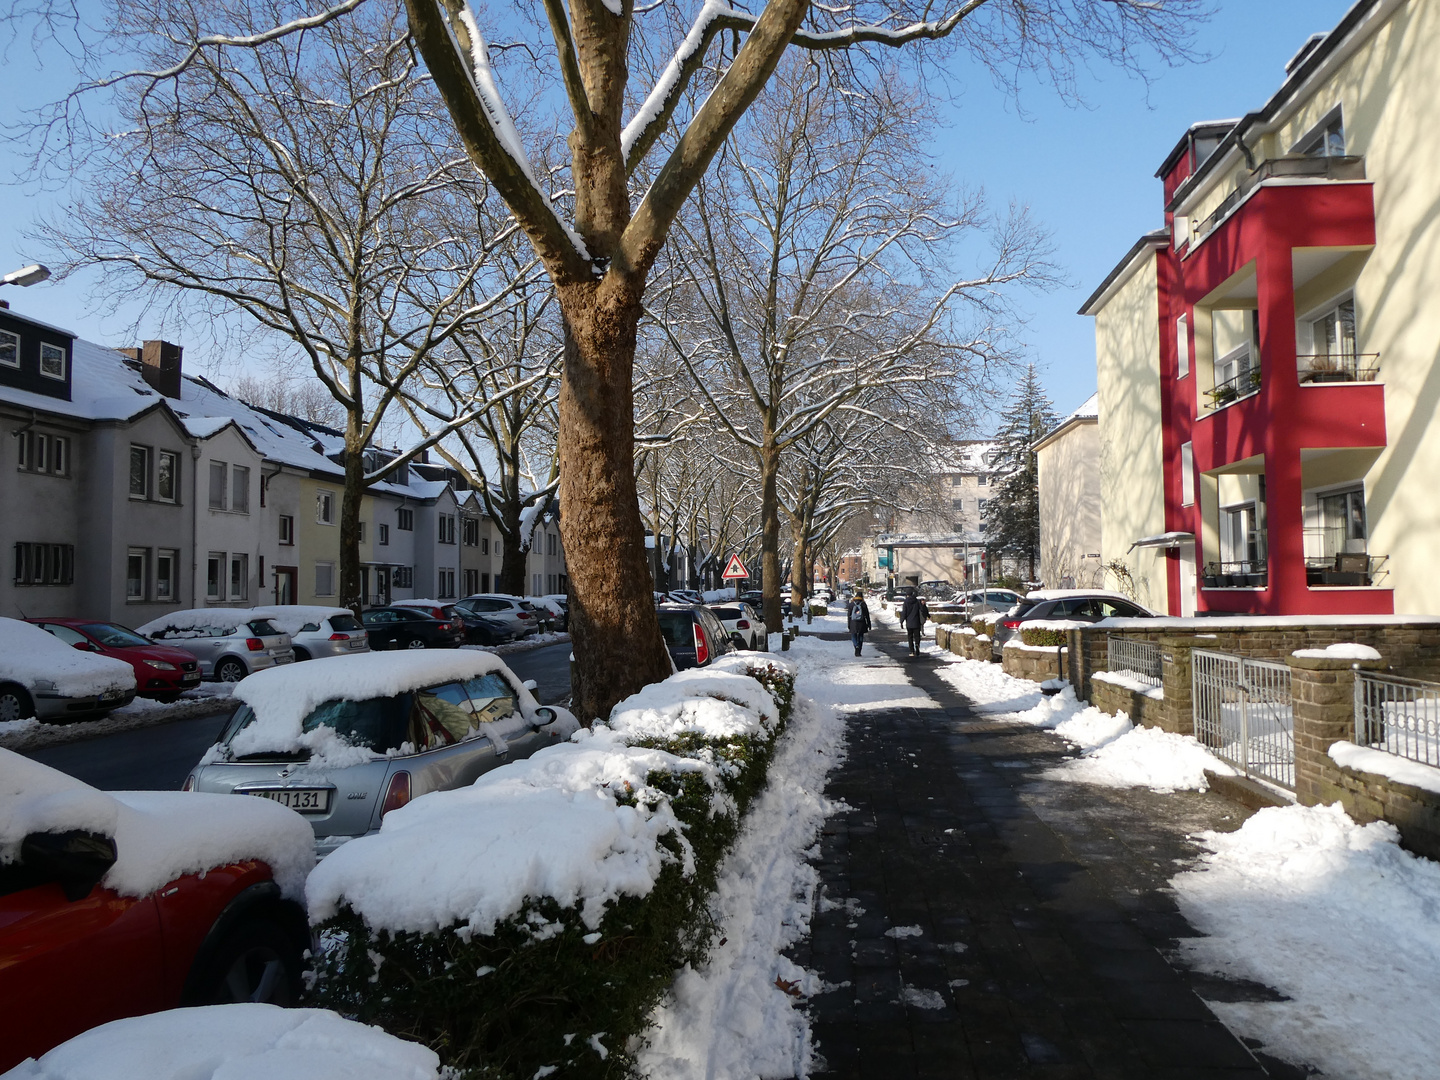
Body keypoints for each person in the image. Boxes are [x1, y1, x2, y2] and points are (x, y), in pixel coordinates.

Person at [900, 587, 929, 657]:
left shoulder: (906, 602)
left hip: (909, 623)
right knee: (917, 635)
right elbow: (922, 610)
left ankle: (912, 651)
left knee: (910, 637)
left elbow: (904, 613)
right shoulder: (917, 601)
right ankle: (917, 645)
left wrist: (901, 621)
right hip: (916, 622)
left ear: (907, 594)